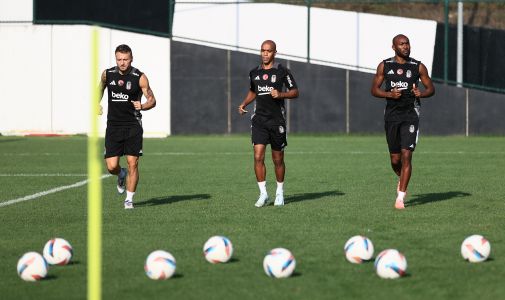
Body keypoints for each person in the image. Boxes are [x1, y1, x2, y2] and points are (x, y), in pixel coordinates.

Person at [371, 34, 435, 209]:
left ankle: (401, 197)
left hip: (410, 114)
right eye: (402, 44)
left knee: (407, 154)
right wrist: (388, 94)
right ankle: (401, 179)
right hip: (392, 115)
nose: (406, 47)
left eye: (407, 43)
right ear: (394, 47)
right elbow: (374, 90)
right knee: (395, 159)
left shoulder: (418, 66)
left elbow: (431, 88)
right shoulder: (385, 65)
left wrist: (421, 93)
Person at [238, 40, 299, 207]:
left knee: (277, 159)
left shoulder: (282, 71)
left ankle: (280, 193)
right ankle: (263, 193)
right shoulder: (254, 73)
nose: (265, 53)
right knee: (258, 156)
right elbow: (253, 91)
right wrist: (244, 104)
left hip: (277, 121)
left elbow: (295, 92)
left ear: (275, 53)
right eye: (263, 50)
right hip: (259, 120)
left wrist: (280, 95)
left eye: (269, 51)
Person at [99, 44, 156, 209]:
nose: (122, 62)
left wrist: (143, 105)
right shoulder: (107, 74)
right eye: (119, 59)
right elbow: (100, 88)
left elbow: (152, 99)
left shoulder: (140, 77)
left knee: (133, 163)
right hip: (113, 126)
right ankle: (120, 173)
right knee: (111, 166)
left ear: (131, 59)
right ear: (115, 59)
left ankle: (129, 200)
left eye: (125, 59)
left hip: (133, 125)